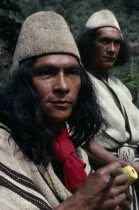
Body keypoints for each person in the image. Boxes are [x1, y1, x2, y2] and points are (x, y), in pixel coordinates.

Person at [0, 11, 130, 210]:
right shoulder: (5, 146)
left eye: (71, 72)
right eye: (46, 72)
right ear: (23, 83)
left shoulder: (73, 148)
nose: (63, 86)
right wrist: (81, 203)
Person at [76, 9, 139, 209]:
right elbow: (81, 139)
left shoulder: (120, 86)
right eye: (104, 41)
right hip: (106, 175)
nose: (112, 49)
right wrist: (126, 167)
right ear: (89, 44)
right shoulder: (79, 81)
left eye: (117, 43)